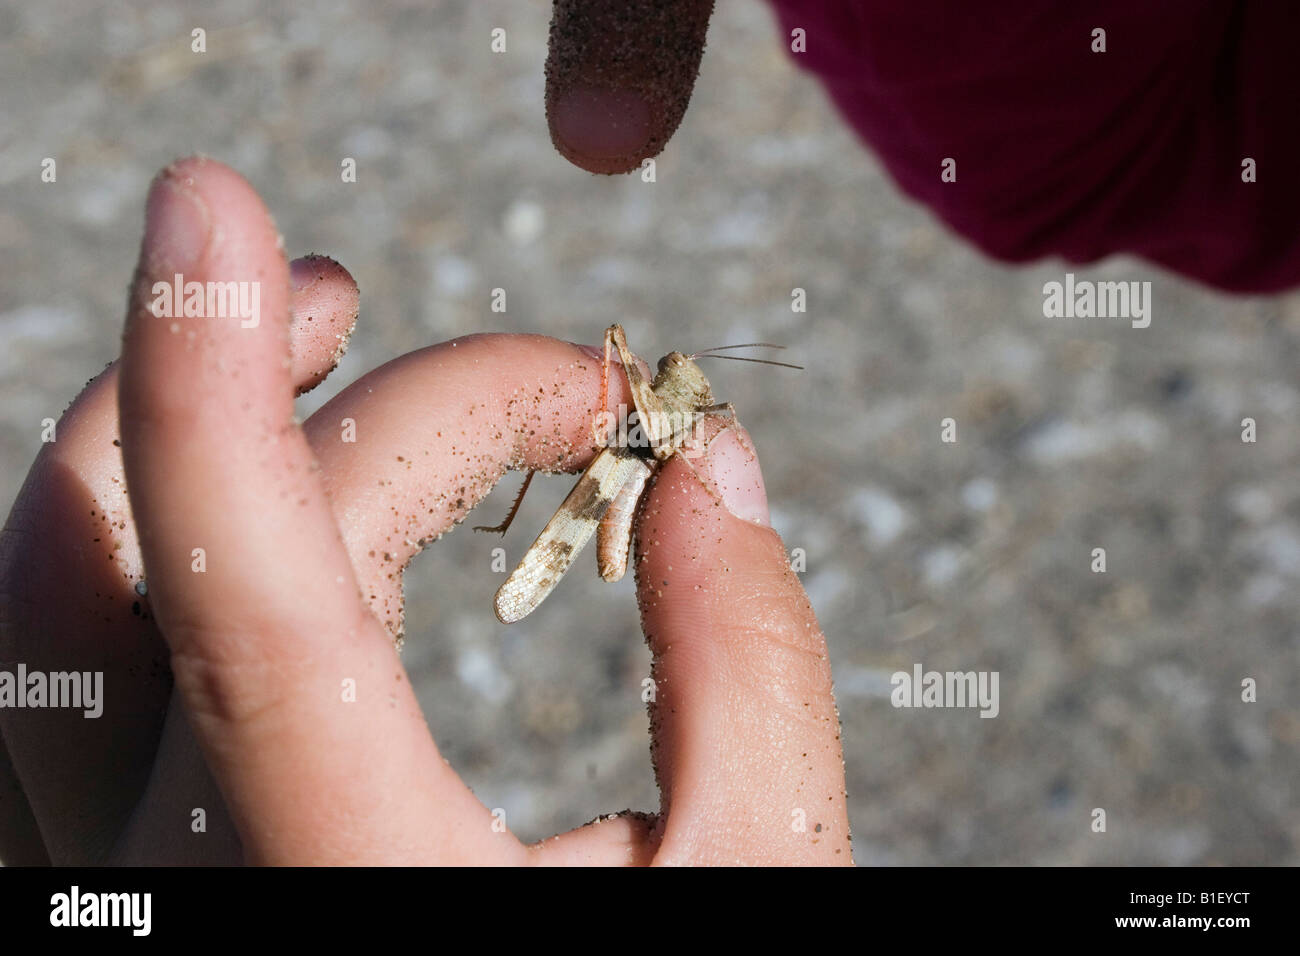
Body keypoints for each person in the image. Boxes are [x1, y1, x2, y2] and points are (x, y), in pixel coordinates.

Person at [0, 155, 849, 865]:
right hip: (612, 473)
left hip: (622, 488)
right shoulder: (649, 391)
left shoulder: (681, 406)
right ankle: (510, 516)